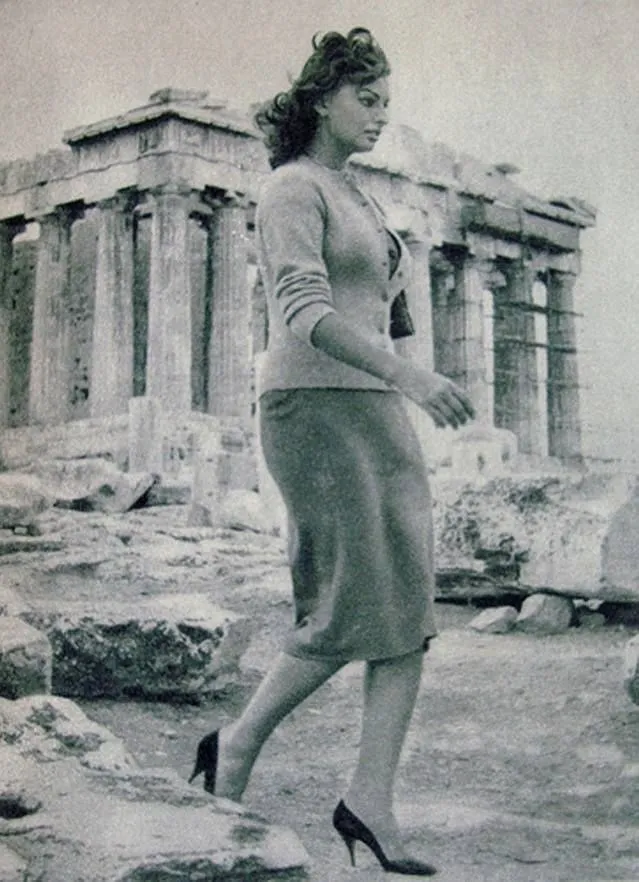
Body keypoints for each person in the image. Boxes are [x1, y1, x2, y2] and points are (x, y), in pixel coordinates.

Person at [190, 27, 475, 876]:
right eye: (366, 98)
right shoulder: (289, 188)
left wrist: (404, 366)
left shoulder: (361, 196)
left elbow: (382, 310)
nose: (381, 115)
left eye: (387, 100)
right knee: (346, 605)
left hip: (374, 409)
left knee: (406, 611)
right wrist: (411, 376)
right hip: (313, 410)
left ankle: (369, 802)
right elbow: (304, 313)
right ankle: (236, 748)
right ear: (321, 100)